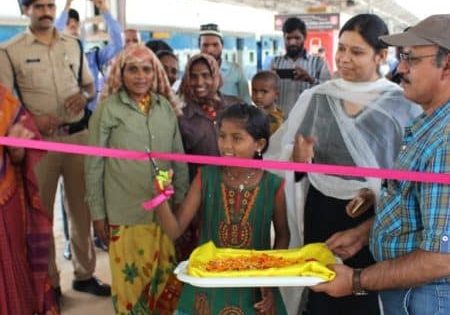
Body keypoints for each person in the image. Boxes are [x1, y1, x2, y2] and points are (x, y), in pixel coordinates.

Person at [265, 14, 421, 315]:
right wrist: (299, 162)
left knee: (368, 296)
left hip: (374, 218)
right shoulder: (317, 98)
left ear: (381, 56)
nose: (345, 59)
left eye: (357, 52)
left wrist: (376, 199)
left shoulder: (401, 105)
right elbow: (290, 165)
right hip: (321, 211)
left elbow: (410, 175)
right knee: (320, 291)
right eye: (342, 49)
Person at [311, 14, 450, 315]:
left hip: (429, 298)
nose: (400, 68)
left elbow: (442, 257)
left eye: (411, 58)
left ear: (447, 66)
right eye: (402, 58)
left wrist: (356, 280)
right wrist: (364, 233)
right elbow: (417, 210)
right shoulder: (428, 128)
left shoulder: (445, 142)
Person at [0, 0, 110, 298]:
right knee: (42, 214)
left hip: (78, 137)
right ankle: (50, 283)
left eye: (50, 4)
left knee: (82, 209)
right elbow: (5, 103)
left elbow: (89, 86)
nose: (46, 10)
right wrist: (32, 119)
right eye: (38, 6)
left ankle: (84, 275)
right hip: (40, 145)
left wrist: (84, 97)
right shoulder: (10, 51)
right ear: (25, 10)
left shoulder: (73, 44)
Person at [155, 104, 290, 314]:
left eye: (237, 138)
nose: (226, 145)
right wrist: (160, 198)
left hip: (254, 289)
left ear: (259, 144)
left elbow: (282, 236)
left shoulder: (273, 186)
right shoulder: (205, 177)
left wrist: (270, 283)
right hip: (207, 288)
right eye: (222, 136)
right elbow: (174, 230)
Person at [85, 43, 189, 314]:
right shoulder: (107, 110)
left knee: (165, 284)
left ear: (155, 75)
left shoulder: (165, 108)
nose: (140, 76)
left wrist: (182, 203)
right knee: (130, 289)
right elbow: (94, 164)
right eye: (133, 70)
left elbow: (178, 157)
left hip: (164, 215)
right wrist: (98, 213)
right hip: (124, 214)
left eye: (146, 70)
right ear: (121, 73)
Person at [55, 0, 124, 259]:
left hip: (93, 126)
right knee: (69, 190)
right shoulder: (57, 59)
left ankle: (99, 233)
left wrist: (105, 11)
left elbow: (118, 44)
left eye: (75, 25)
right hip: (67, 130)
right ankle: (72, 242)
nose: (72, 29)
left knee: (96, 181)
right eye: (68, 25)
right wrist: (67, 6)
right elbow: (56, 29)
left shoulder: (93, 56)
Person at [0, 84, 58, 314]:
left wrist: (17, 149)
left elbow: (20, 154)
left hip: (6, 203)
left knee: (13, 269)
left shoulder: (4, 100)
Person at [176, 53, 241, 260]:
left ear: (216, 76)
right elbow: (179, 162)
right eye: (193, 76)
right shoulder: (180, 114)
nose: (199, 82)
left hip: (235, 191)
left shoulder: (234, 107)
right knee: (201, 253)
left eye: (205, 75)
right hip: (199, 195)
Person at [271, 17, 331, 116]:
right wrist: (270, 80)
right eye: (288, 38)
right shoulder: (275, 62)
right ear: (284, 38)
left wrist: (311, 79)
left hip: (308, 121)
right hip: (281, 121)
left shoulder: (318, 63)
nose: (292, 42)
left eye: (297, 38)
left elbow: (329, 92)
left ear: (304, 37)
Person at [199, 23, 251, 103]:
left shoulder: (236, 70)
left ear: (222, 46)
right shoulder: (192, 71)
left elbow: (246, 102)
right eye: (205, 45)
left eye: (215, 45)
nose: (210, 50)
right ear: (199, 46)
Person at [251, 70, 284, 135]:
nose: (258, 96)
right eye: (254, 91)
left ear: (276, 95)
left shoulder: (276, 120)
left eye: (264, 91)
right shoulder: (254, 113)